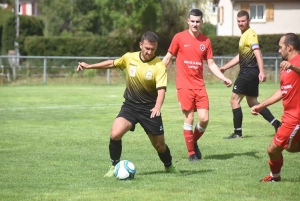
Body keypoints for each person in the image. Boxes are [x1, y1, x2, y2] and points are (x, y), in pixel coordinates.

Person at [77, 31, 178, 177]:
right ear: (141, 45)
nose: (150, 52)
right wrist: (90, 66)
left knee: (159, 146)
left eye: (153, 49)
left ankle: (169, 166)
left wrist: (157, 107)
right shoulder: (129, 57)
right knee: (115, 133)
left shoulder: (159, 66)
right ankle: (114, 166)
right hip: (130, 106)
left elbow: (161, 89)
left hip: (150, 109)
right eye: (147, 48)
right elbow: (112, 63)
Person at [163, 9, 232, 162]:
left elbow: (211, 64)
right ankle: (191, 154)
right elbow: (168, 57)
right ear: (188, 21)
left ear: (202, 22)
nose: (195, 24)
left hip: (199, 85)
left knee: (204, 119)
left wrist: (223, 78)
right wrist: (157, 72)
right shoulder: (179, 38)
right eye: (192, 21)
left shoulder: (206, 41)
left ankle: (193, 141)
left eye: (197, 21)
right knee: (189, 118)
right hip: (184, 85)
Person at [220, 10, 281, 139]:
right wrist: (225, 67)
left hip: (248, 72)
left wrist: (262, 71)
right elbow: (240, 57)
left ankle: (237, 133)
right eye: (238, 21)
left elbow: (258, 53)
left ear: (249, 21)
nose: (240, 23)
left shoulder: (251, 34)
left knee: (234, 100)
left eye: (243, 21)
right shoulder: (244, 35)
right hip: (250, 72)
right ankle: (277, 124)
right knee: (253, 102)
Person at [251, 33, 300, 182]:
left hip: (295, 117)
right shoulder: (285, 66)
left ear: (289, 48)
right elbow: (282, 90)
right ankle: (275, 177)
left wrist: (293, 67)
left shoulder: (295, 63)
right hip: (288, 116)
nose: (279, 50)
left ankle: (275, 177)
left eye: (281, 47)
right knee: (289, 147)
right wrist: (261, 105)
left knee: (273, 149)